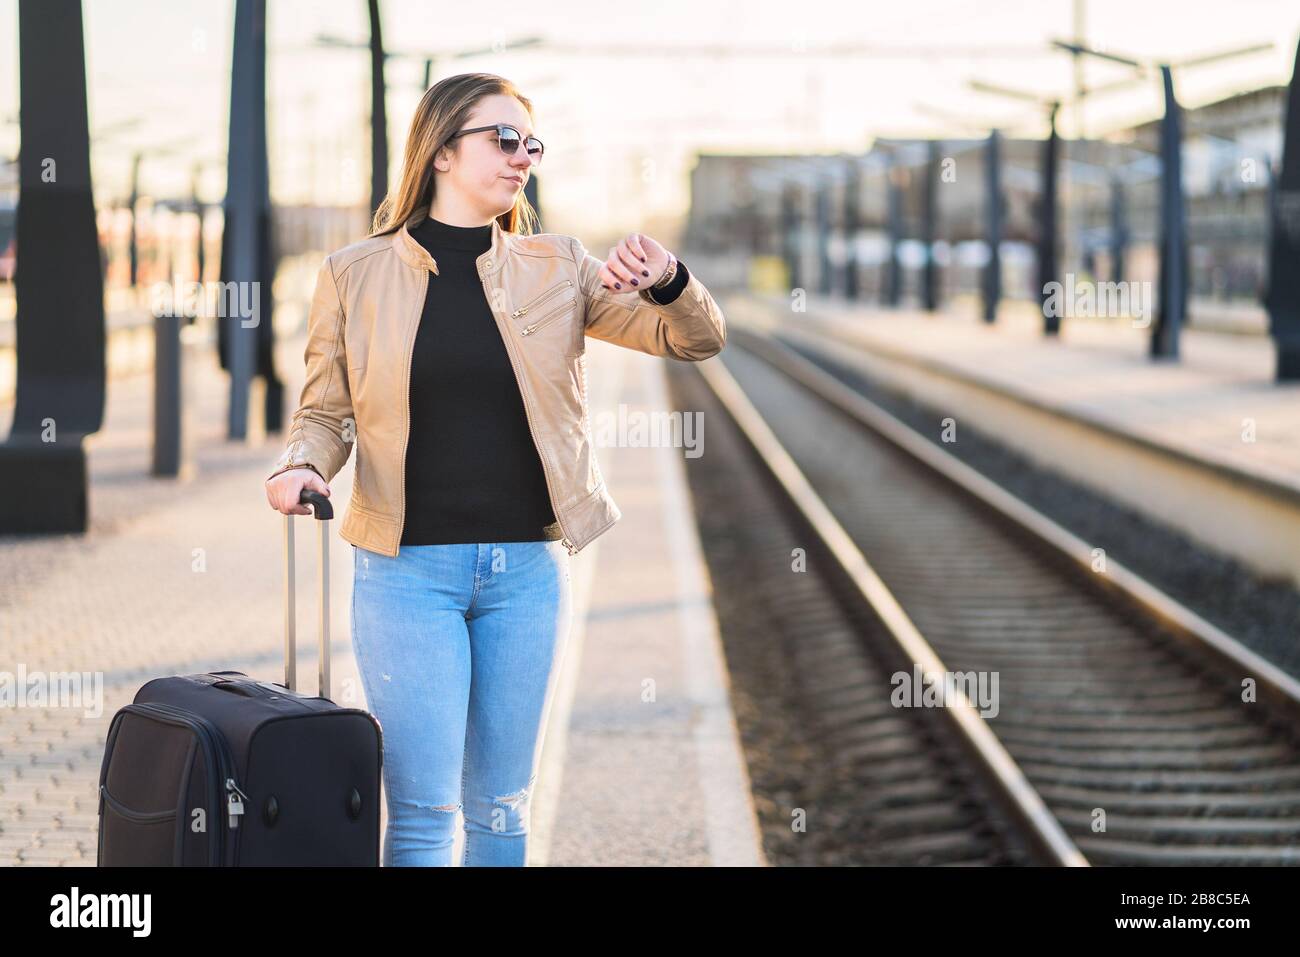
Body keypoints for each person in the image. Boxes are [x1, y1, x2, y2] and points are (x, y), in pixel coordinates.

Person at [264, 72, 726, 866]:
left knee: (504, 812)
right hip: (406, 574)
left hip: (526, 575)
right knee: (421, 812)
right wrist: (301, 466)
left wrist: (669, 283)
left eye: (531, 144)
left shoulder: (561, 267)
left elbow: (693, 340)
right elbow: (324, 411)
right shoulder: (354, 273)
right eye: (502, 138)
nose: (522, 157)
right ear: (442, 149)